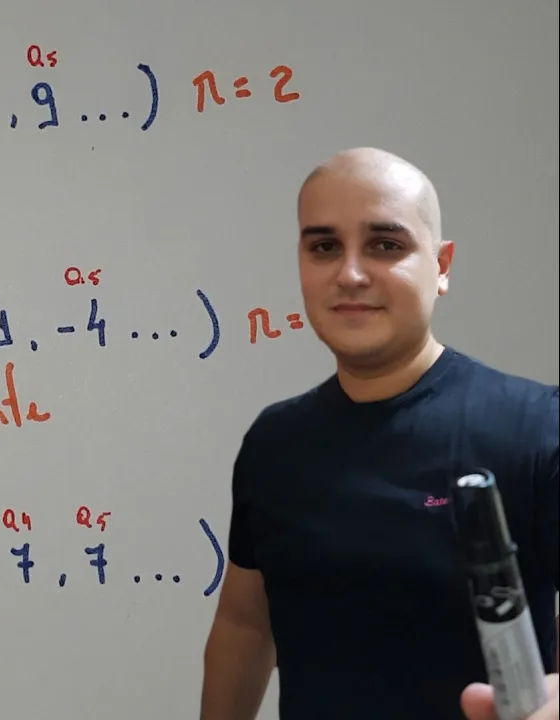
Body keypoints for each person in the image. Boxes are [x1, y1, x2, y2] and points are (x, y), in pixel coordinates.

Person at [198, 146, 559, 720]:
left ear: (441, 265)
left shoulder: (537, 427)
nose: (350, 274)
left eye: (385, 245)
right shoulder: (274, 444)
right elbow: (245, 624)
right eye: (323, 247)